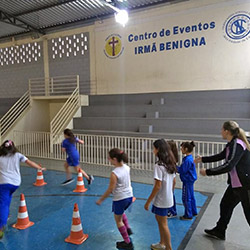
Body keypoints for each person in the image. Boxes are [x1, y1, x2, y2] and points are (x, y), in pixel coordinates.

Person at [194, 121, 250, 240]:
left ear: (227, 131)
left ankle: (220, 230)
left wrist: (208, 172)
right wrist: (202, 159)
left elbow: (228, 165)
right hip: (236, 185)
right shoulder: (231, 144)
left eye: (222, 129)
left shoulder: (237, 144)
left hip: (245, 186)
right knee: (225, 205)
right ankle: (220, 231)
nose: (220, 131)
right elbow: (221, 156)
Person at [0, 140, 46, 239]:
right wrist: (39, 168)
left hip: (4, 183)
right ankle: (6, 215)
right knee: (8, 197)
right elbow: (29, 162)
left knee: (3, 203)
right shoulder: (18, 155)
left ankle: (0, 227)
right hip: (16, 183)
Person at [96, 148, 134, 250]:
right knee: (121, 213)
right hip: (129, 196)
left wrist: (101, 199)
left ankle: (127, 242)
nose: (109, 160)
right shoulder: (126, 167)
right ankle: (128, 228)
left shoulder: (115, 173)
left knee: (118, 220)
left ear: (115, 159)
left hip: (120, 199)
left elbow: (110, 189)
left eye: (110, 158)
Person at [144, 139, 176, 250]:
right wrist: (170, 193)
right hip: (167, 198)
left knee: (163, 223)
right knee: (160, 220)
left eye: (154, 148)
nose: (153, 150)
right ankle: (162, 243)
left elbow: (157, 186)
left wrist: (148, 202)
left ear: (158, 150)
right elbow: (174, 181)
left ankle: (168, 248)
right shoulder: (171, 163)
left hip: (161, 199)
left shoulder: (159, 165)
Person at [177, 141, 197, 220]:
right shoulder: (189, 158)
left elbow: (182, 170)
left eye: (182, 148)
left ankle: (188, 214)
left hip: (187, 180)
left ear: (186, 149)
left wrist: (174, 167)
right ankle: (193, 211)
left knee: (186, 197)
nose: (181, 150)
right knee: (191, 196)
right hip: (190, 179)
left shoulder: (187, 160)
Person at [166, 140, 178, 218]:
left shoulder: (171, 160)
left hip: (170, 181)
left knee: (170, 195)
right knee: (170, 195)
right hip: (170, 180)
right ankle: (171, 210)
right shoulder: (172, 158)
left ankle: (172, 211)